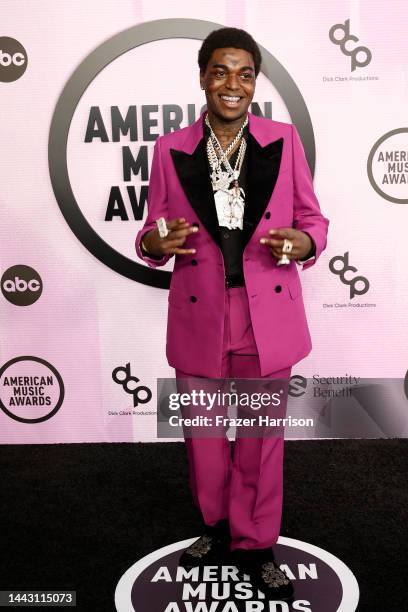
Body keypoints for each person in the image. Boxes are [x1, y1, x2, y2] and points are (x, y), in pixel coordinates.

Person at [135, 27, 329, 601]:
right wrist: (154, 244)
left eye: (245, 73)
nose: (233, 84)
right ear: (202, 76)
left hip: (265, 313)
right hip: (200, 314)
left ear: (255, 82)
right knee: (202, 435)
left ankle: (256, 540)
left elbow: (313, 220)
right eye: (221, 71)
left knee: (261, 437)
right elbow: (151, 228)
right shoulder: (170, 149)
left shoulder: (283, 139)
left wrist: (304, 242)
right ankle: (214, 525)